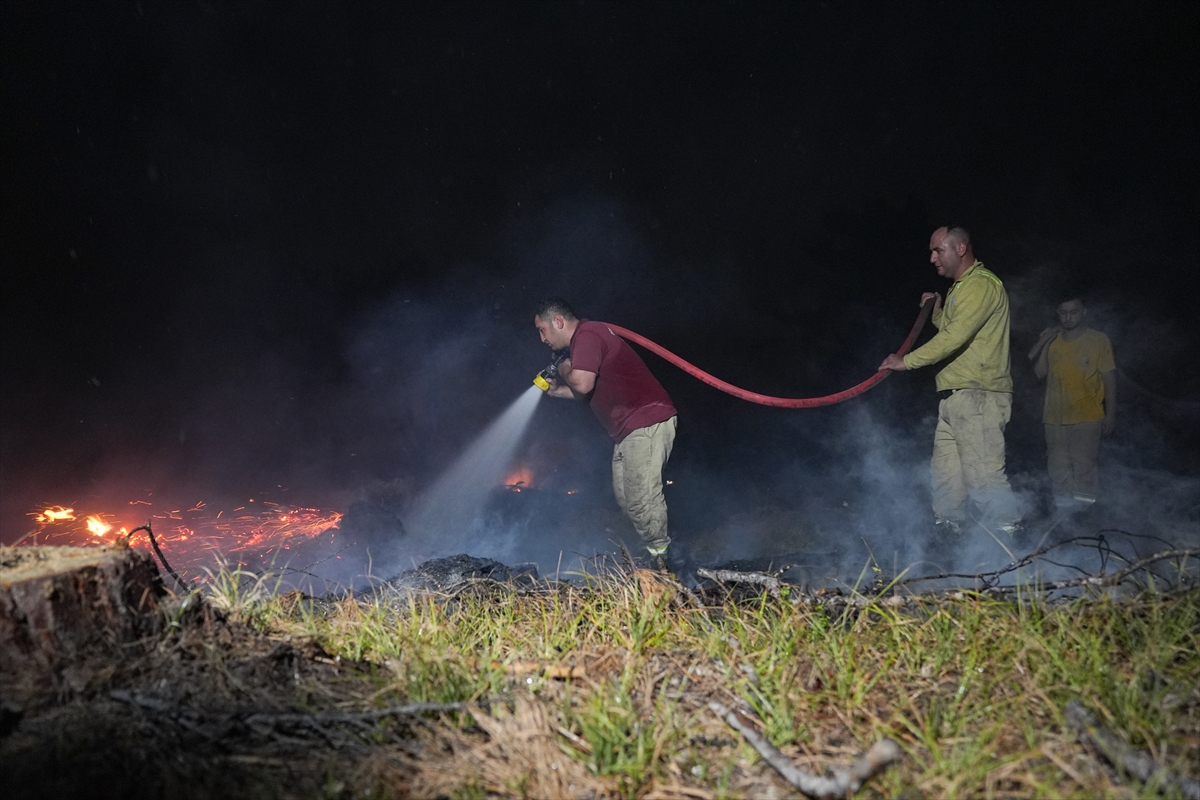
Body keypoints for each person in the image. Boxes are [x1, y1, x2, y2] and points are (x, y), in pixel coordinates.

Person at [879, 226, 1022, 535]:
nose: (932, 258)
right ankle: (948, 537)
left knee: (983, 476)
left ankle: (1012, 541)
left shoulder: (982, 285)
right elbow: (951, 329)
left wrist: (907, 361)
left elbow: (956, 337)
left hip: (979, 394)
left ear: (959, 249)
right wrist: (937, 312)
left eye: (937, 251)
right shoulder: (961, 288)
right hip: (955, 395)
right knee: (946, 477)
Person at [533, 298, 679, 567]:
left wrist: (563, 365)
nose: (542, 338)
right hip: (627, 431)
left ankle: (665, 564)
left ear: (558, 322)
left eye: (542, 329)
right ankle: (657, 555)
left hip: (646, 422)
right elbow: (583, 392)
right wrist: (557, 392)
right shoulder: (585, 340)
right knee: (627, 500)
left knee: (641, 501)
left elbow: (583, 383)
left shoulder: (588, 334)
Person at [1027, 293, 1116, 508]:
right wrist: (1046, 340)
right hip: (1054, 416)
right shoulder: (1054, 340)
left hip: (1087, 415)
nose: (1068, 318)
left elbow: (1109, 378)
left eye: (1073, 312)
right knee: (1057, 468)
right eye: (1063, 313)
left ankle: (1084, 515)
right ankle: (1064, 518)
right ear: (1058, 314)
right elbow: (1039, 371)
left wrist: (1111, 414)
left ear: (1083, 312)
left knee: (1084, 467)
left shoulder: (1098, 340)